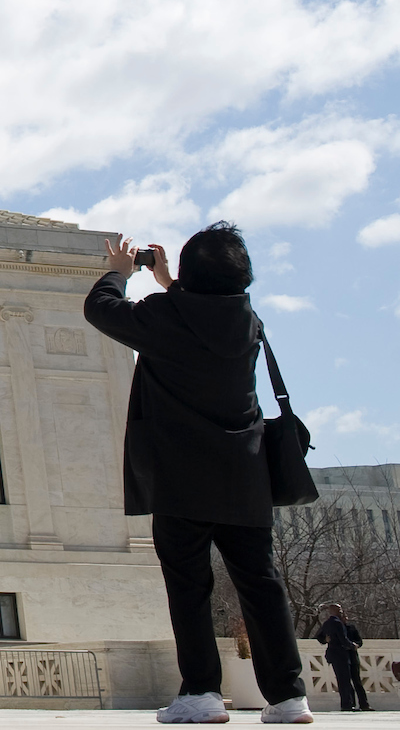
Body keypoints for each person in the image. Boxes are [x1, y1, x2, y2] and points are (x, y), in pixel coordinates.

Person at [86, 223, 314, 726]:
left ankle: (202, 694)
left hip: (181, 474)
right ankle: (288, 697)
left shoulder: (166, 315)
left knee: (189, 584)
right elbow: (202, 317)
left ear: (191, 273)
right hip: (244, 472)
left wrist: (119, 274)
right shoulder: (246, 319)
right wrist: (172, 282)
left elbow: (101, 310)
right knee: (261, 581)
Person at [316, 605, 364, 712]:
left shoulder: (326, 623)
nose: (341, 611)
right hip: (341, 655)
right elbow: (343, 640)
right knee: (345, 681)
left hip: (333, 655)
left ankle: (348, 704)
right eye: (339, 610)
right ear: (335, 611)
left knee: (342, 680)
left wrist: (325, 639)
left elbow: (318, 636)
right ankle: (347, 704)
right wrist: (352, 646)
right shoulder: (337, 623)